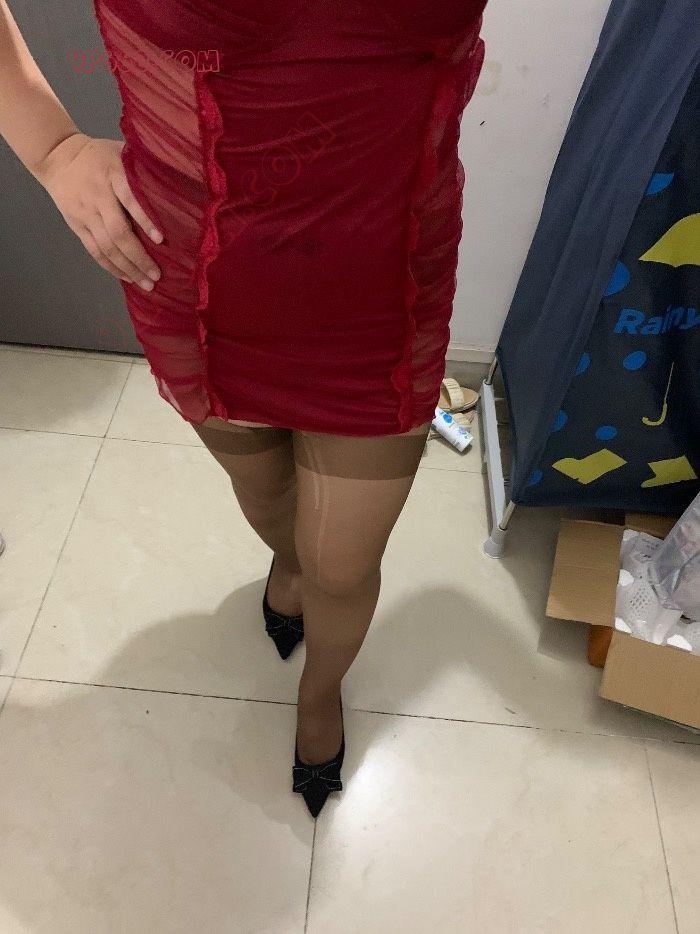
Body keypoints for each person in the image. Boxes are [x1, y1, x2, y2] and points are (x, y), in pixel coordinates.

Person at [0, 0, 487, 817]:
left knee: (344, 566)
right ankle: (286, 566)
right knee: (266, 494)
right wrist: (52, 149)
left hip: (385, 287)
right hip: (192, 279)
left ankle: (320, 692)